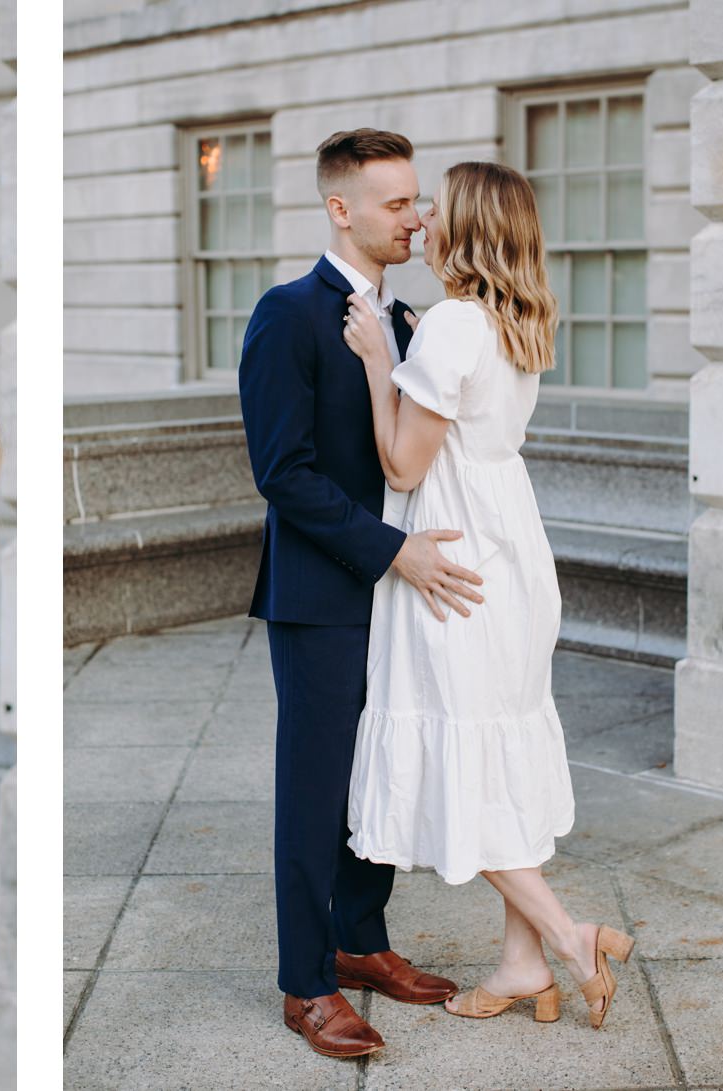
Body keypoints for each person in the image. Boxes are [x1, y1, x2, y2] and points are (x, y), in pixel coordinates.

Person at [342, 160, 636, 1029]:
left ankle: (569, 938)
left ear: (467, 227)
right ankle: (518, 965)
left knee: (465, 768)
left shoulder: (450, 326)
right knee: (501, 755)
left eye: (438, 207)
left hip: (456, 563)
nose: (423, 217)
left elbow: (402, 462)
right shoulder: (520, 320)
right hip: (512, 554)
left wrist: (377, 359)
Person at [237, 129, 486, 1060]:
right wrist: (393, 554)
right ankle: (307, 982)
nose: (416, 217)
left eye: (418, 200)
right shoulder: (286, 313)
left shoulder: (415, 322)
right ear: (340, 208)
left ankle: (362, 940)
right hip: (324, 595)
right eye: (396, 203)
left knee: (383, 768)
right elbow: (284, 473)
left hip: (402, 592)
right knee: (314, 791)